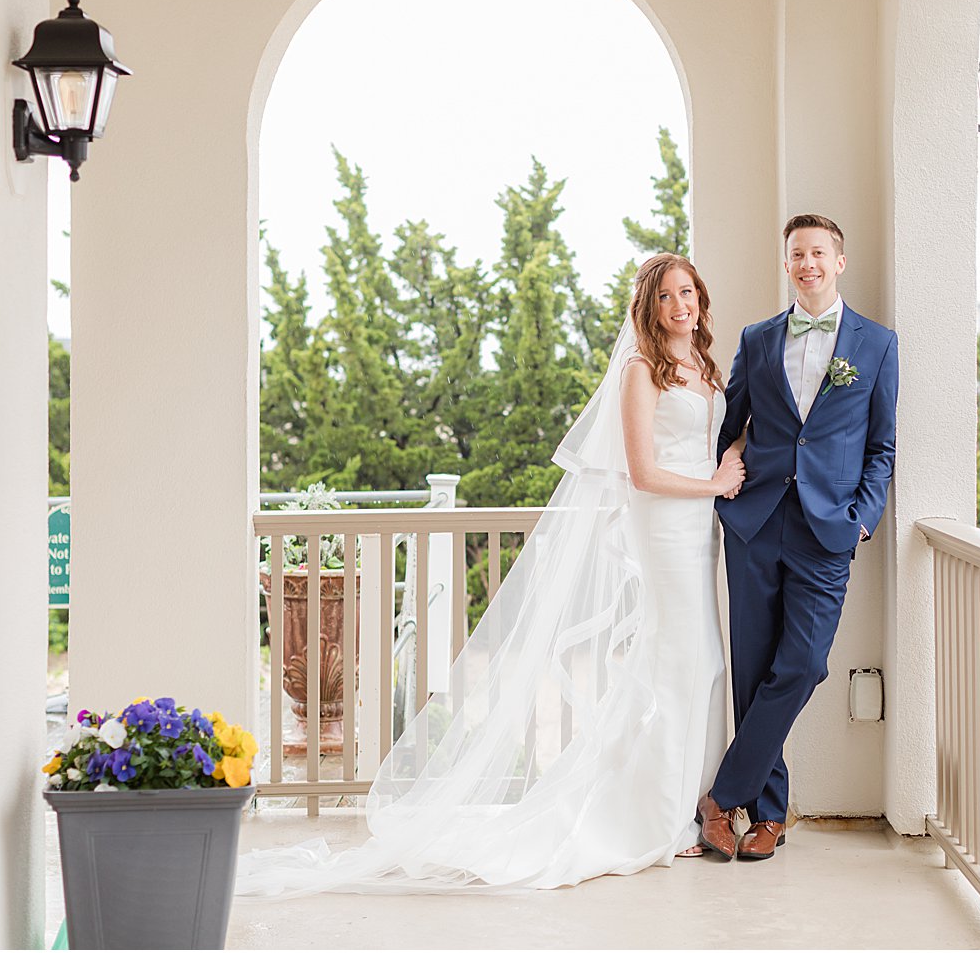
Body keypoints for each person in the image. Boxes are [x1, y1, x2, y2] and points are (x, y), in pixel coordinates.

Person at [237, 253, 744, 895]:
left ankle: (689, 802)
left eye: (689, 292)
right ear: (649, 307)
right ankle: (661, 820)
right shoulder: (640, 370)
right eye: (668, 295)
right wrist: (714, 482)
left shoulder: (702, 365)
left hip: (701, 528)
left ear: (700, 298)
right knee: (680, 665)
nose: (681, 305)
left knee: (703, 666)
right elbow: (641, 472)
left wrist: (730, 455)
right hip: (668, 524)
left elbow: (710, 435)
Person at [697, 214, 898, 861]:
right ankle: (770, 815)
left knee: (804, 664)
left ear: (839, 261)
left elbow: (881, 446)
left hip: (827, 531)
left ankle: (723, 795)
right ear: (786, 265)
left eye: (818, 252)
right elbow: (729, 423)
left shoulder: (877, 345)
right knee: (755, 669)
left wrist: (863, 516)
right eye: (796, 254)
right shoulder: (757, 339)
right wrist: (721, 475)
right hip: (755, 523)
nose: (807, 263)